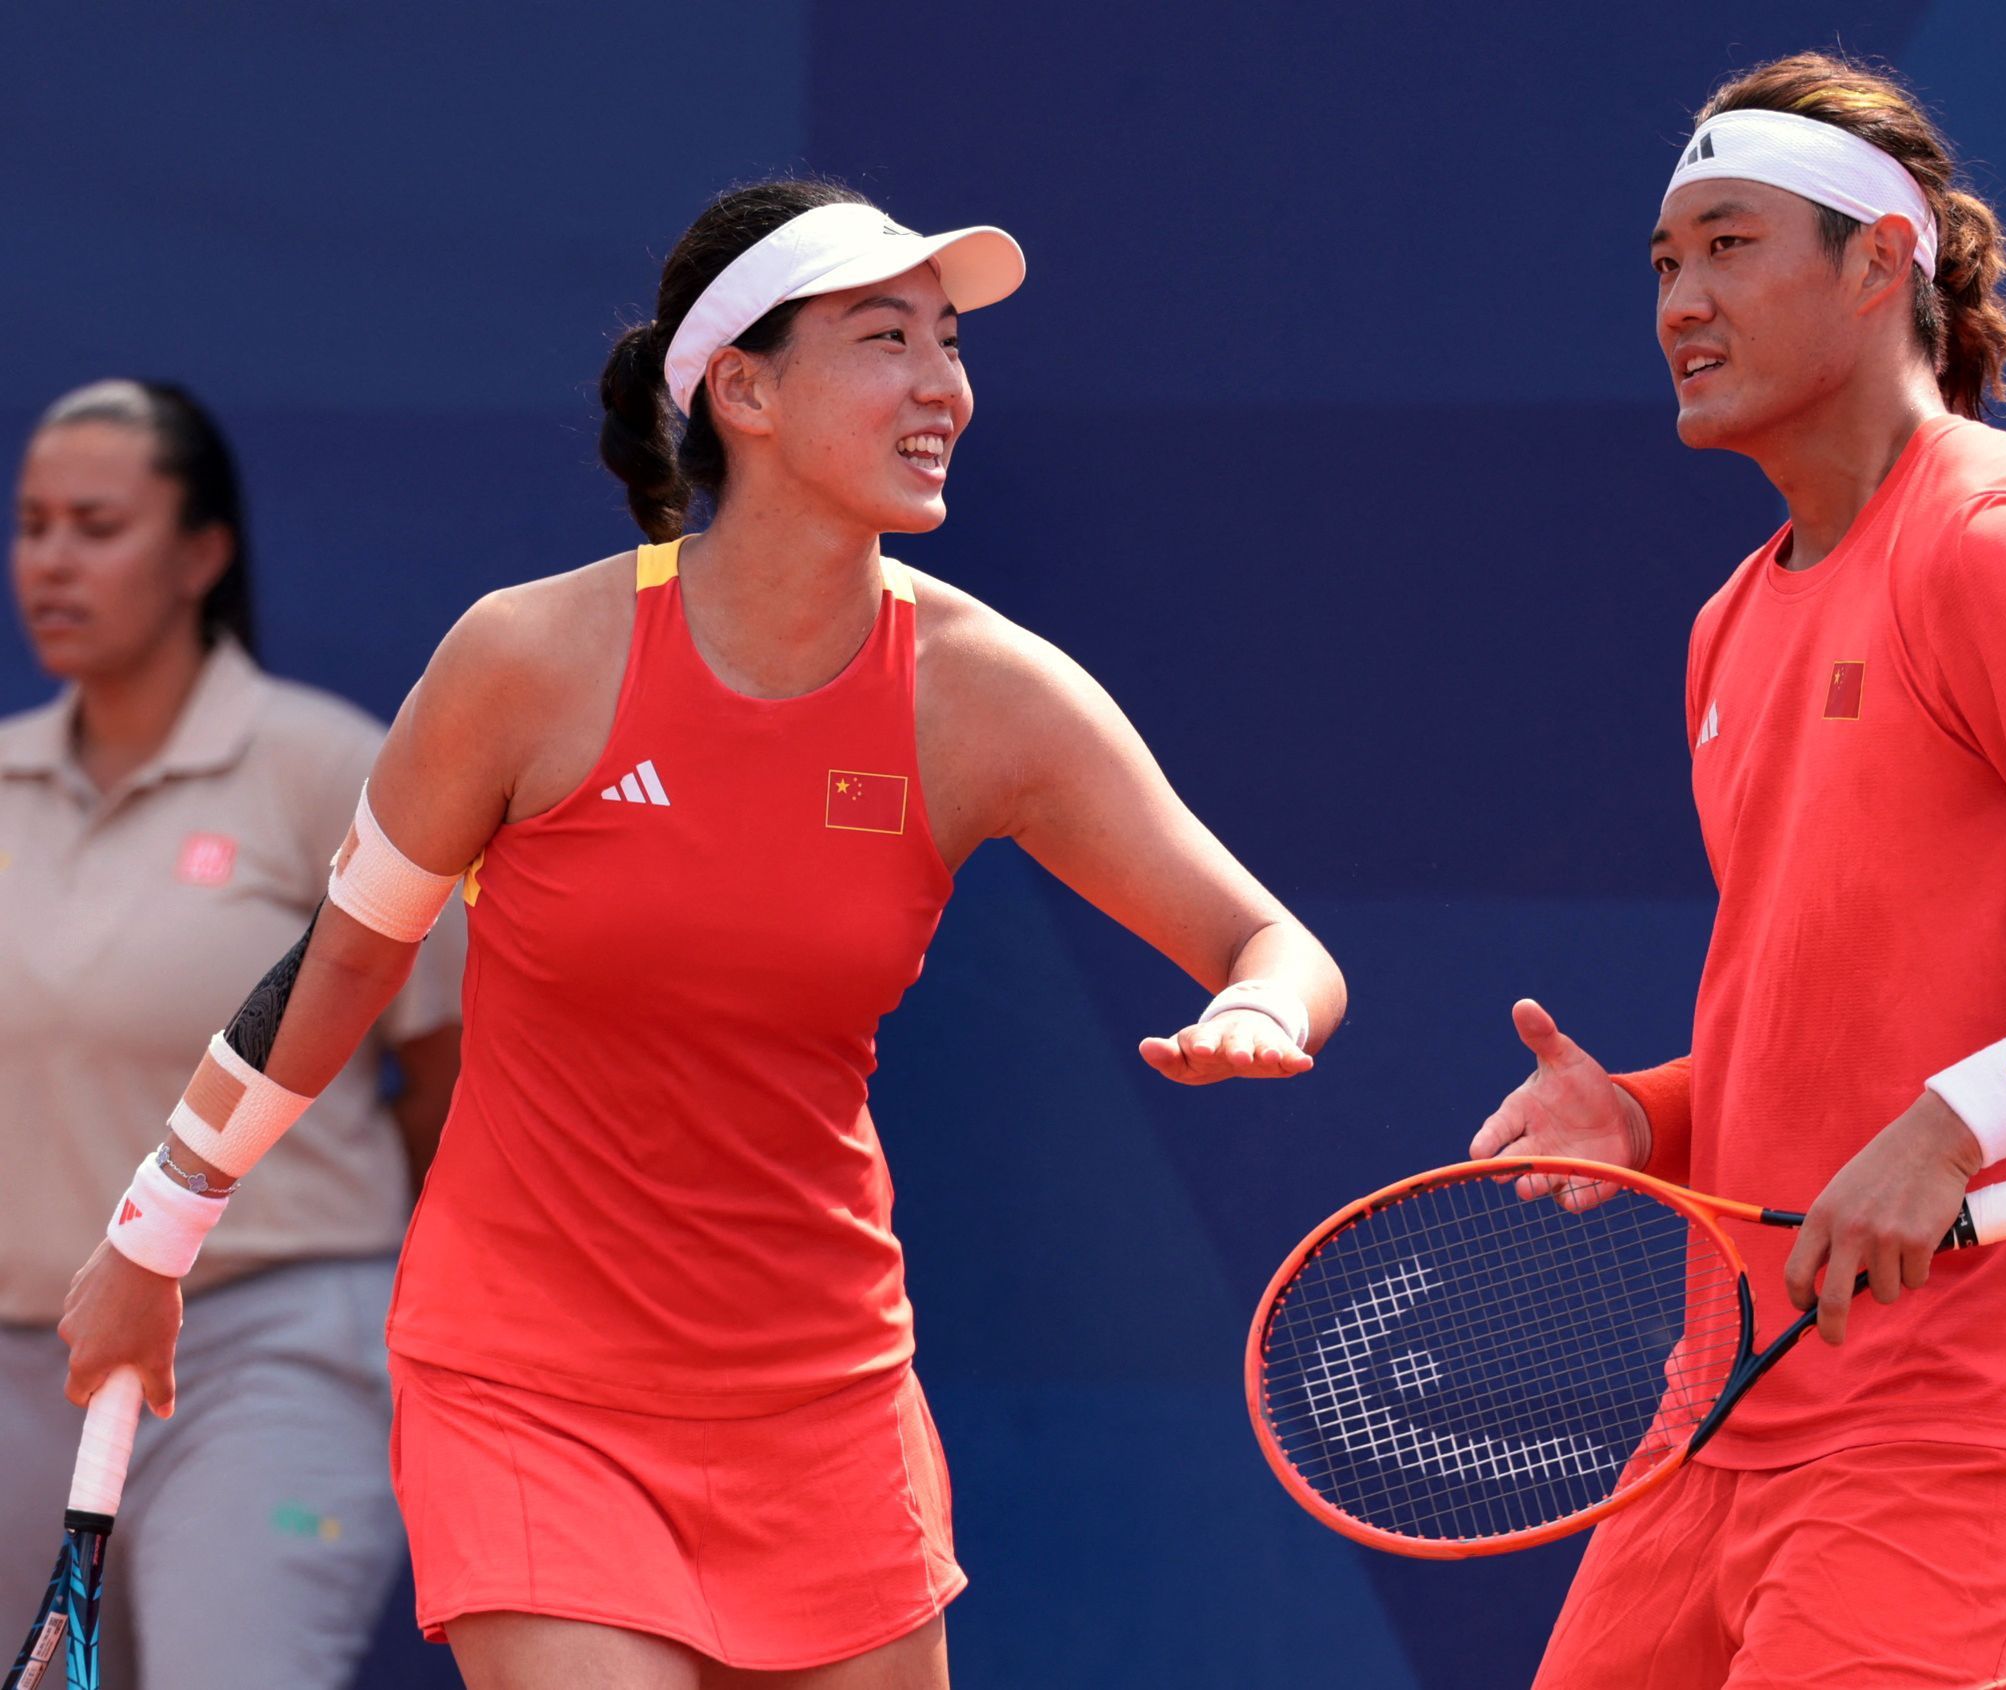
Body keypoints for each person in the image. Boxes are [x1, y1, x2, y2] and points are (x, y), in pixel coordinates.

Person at [53, 180, 1344, 1690]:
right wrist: (156, 1231)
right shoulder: (528, 661)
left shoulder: (989, 697)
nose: (945, 384)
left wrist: (1263, 1005)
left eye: (948, 342)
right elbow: (345, 959)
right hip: (528, 1389)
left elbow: (1272, 940)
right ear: (744, 386)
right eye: (887, 339)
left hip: (827, 1405)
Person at [1468, 54, 2006, 1688]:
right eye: (1665, 263)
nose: (1680, 302)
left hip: (1955, 1427)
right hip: (1724, 1416)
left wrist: (1955, 1126)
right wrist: (1653, 1111)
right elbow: (1857, 1008)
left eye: (1730, 245)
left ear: (1884, 262)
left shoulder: (2000, 542)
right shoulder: (1730, 624)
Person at [2, 378, 465, 1688]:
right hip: (18, 1361)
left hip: (274, 1348)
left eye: (96, 524)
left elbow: (453, 1084)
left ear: (203, 552)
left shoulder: (326, 770)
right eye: (32, 525)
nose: (51, 560)